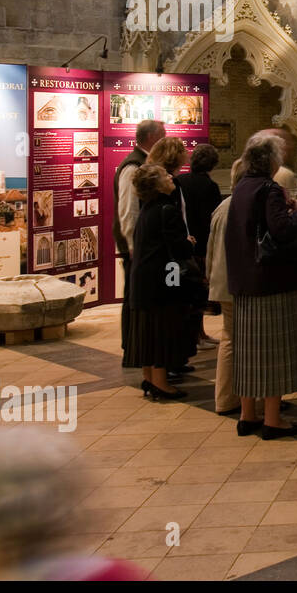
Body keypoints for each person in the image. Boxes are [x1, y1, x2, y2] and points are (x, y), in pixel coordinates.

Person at [226, 132, 297, 439]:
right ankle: (273, 420)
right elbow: (282, 229)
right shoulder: (268, 189)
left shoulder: (242, 188)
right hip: (270, 281)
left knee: (249, 353)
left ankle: (248, 416)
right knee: (274, 351)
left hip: (245, 281)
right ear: (272, 161)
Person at [122, 164, 194, 402]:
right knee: (162, 328)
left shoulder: (148, 209)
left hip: (144, 279)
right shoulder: (167, 209)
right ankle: (162, 383)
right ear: (156, 183)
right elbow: (178, 248)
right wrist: (189, 242)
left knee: (147, 330)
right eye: (165, 175)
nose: (171, 177)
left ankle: (150, 378)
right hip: (163, 278)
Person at [113, 119, 165, 358]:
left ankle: (140, 347)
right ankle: (131, 346)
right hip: (137, 246)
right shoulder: (132, 166)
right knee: (134, 297)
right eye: (162, 135)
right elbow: (128, 209)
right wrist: (133, 244)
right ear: (152, 138)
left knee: (141, 297)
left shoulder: (144, 163)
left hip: (145, 245)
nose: (165, 139)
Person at [206, 157, 245, 415]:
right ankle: (241, 399)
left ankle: (225, 398)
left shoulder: (223, 206)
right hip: (237, 283)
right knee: (238, 341)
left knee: (229, 339)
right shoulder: (243, 207)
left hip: (221, 282)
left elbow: (210, 250)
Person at [180, 143, 222, 349]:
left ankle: (200, 333)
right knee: (198, 291)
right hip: (202, 244)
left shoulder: (180, 180)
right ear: (213, 164)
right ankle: (197, 336)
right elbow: (211, 219)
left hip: (185, 242)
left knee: (190, 292)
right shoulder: (209, 186)